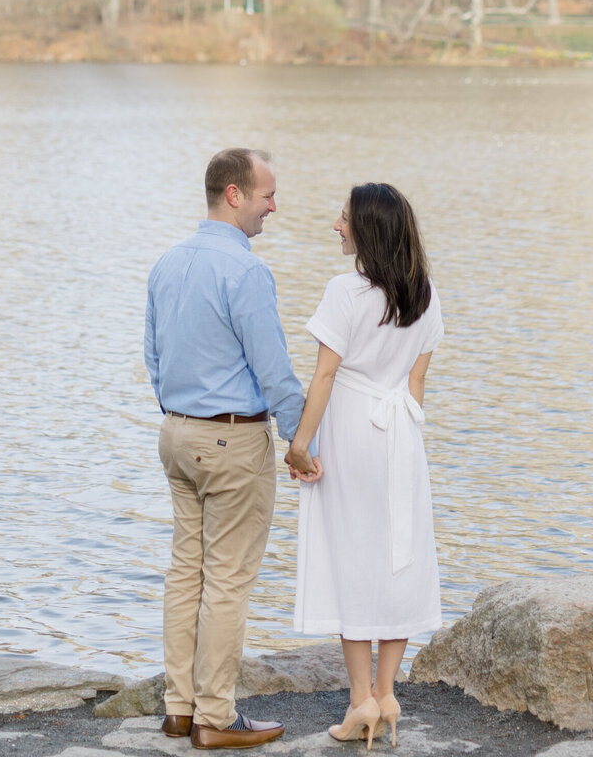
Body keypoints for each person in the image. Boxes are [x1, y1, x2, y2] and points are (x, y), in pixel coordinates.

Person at [145, 147, 305, 750]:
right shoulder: (245, 271)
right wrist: (300, 442)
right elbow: (275, 371)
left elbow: (154, 357)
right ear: (233, 194)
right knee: (228, 581)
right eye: (267, 194)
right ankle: (216, 716)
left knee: (187, 571)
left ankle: (178, 709)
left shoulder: (167, 262)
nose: (274, 205)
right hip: (232, 438)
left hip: (177, 433)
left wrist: (178, 412)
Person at [286, 184, 443, 750]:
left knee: (350, 555)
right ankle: (388, 693)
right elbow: (417, 385)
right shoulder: (424, 293)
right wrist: (403, 437)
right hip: (402, 432)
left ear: (369, 231)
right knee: (398, 554)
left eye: (344, 218)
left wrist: (300, 444)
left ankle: (360, 704)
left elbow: (324, 377)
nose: (336, 225)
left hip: (351, 429)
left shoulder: (345, 291)